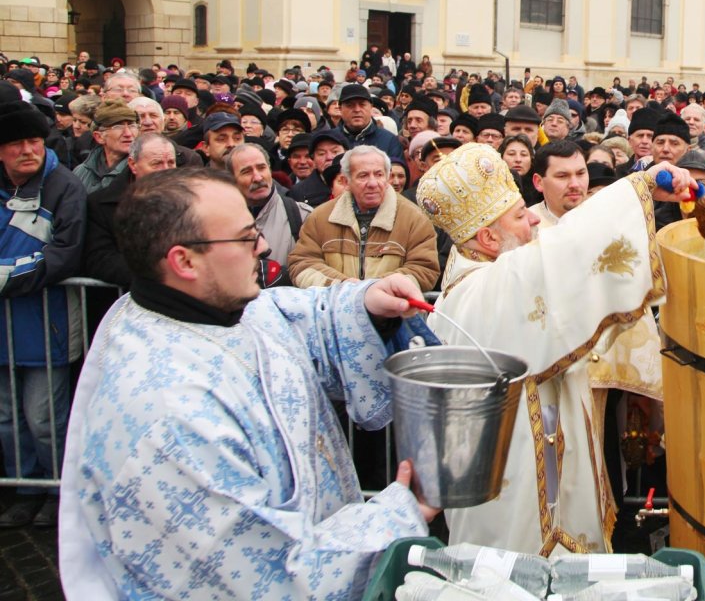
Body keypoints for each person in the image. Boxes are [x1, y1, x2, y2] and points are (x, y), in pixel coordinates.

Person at [59, 168, 436, 597]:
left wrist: (369, 303)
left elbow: (302, 315)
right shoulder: (165, 413)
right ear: (183, 260)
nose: (264, 245)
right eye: (243, 238)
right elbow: (265, 576)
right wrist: (396, 516)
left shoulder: (216, 302)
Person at [416, 143, 696, 554]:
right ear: (489, 237)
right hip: (512, 493)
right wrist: (643, 184)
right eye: (518, 215)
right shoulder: (482, 291)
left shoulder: (485, 275)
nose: (532, 216)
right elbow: (565, 251)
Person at [0, 101, 87, 529]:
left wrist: (6, 278)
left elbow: (64, 255)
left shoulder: (63, 185)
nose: (27, 150)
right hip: (4, 328)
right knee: (6, 418)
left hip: (47, 323)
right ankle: (25, 489)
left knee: (44, 418)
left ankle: (56, 488)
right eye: (16, 143)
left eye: (33, 140)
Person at [288, 145, 440, 293]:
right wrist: (343, 286)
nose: (373, 183)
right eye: (363, 175)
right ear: (346, 181)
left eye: (379, 174)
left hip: (391, 315)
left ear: (387, 178)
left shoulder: (414, 219)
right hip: (334, 313)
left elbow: (425, 270)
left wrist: (375, 289)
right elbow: (302, 264)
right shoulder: (320, 218)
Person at [82, 133, 178, 289]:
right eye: (157, 163)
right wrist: (158, 276)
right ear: (133, 165)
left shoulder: (189, 201)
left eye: (171, 162)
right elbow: (100, 260)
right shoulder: (100, 205)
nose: (166, 170)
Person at [228, 143, 312, 272]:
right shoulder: (219, 224)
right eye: (246, 171)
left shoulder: (303, 216)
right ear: (232, 179)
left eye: (261, 168)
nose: (257, 177)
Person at [73, 100, 138, 194]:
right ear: (99, 137)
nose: (128, 133)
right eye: (118, 127)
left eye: (132, 126)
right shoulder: (81, 172)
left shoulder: (143, 169)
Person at [337, 84, 404, 161]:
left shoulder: (389, 141)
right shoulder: (330, 139)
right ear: (340, 109)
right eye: (350, 105)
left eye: (362, 105)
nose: (357, 109)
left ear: (371, 107)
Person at [530, 140, 589, 226]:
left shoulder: (606, 220)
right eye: (562, 176)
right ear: (539, 182)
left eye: (580, 174)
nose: (575, 184)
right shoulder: (525, 227)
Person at [288, 129, 348, 207]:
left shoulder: (359, 183)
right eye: (321, 153)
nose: (329, 157)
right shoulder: (298, 191)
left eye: (335, 151)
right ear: (313, 159)